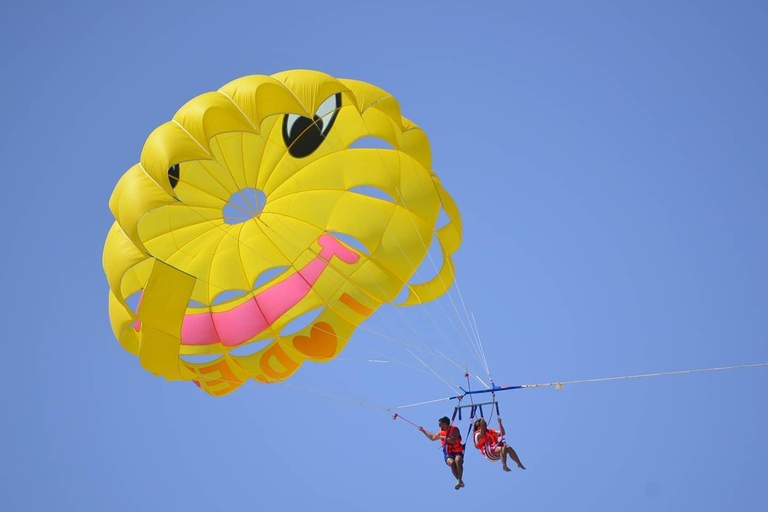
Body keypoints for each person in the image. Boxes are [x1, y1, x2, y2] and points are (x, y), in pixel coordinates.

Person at [419, 416, 465, 489]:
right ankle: (459, 481)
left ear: (446, 423)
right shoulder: (441, 432)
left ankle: (459, 480)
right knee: (452, 463)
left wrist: (443, 437)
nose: (439, 426)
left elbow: (453, 441)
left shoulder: (455, 429)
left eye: (441, 424)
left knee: (458, 460)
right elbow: (432, 438)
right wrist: (423, 431)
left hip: (457, 450)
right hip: (448, 452)